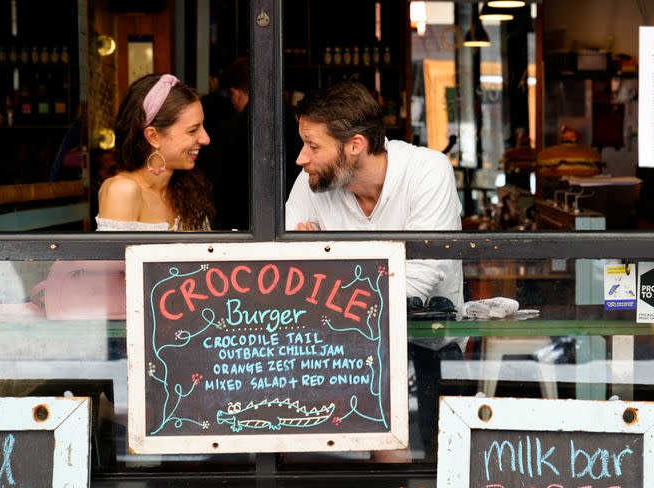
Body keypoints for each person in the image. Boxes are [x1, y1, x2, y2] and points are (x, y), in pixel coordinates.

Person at [285, 81, 464, 457]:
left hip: (428, 347)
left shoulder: (427, 171)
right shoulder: (310, 183)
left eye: (313, 146)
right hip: (337, 352)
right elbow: (290, 279)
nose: (301, 159)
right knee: (340, 472)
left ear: (355, 145)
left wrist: (326, 269)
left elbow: (421, 276)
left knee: (440, 471)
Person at [96, 73, 214, 231]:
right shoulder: (122, 191)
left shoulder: (184, 190)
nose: (206, 139)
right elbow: (113, 255)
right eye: (193, 131)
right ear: (153, 137)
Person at [197, 58, 250, 230]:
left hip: (232, 221)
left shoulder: (229, 130)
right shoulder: (290, 121)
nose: (204, 139)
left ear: (236, 92)